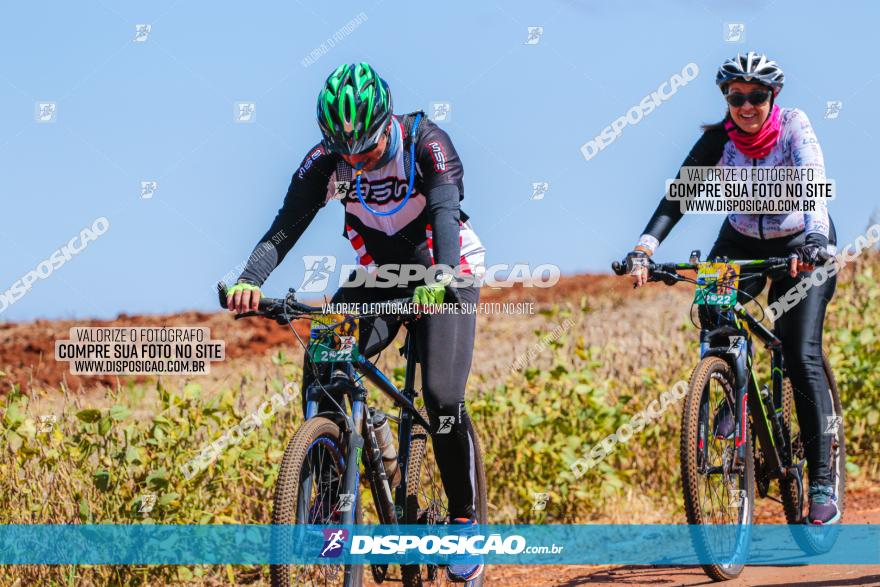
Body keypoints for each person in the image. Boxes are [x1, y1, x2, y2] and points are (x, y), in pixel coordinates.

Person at [226, 62, 486, 580]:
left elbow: (443, 212)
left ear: (386, 122)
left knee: (440, 400)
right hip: (382, 276)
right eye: (347, 153)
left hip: (446, 268)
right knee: (324, 352)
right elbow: (286, 225)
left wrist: (442, 276)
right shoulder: (328, 160)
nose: (357, 161)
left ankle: (462, 522)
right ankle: (327, 504)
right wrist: (251, 279)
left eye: (365, 151)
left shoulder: (425, 142)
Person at [624, 52, 840, 525]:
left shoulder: (793, 127)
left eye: (756, 96)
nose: (746, 106)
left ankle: (822, 477)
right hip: (739, 239)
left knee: (801, 354)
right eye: (736, 97)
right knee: (713, 311)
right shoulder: (719, 140)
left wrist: (817, 241)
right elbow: (675, 198)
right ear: (726, 99)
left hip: (802, 241)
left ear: (773, 97)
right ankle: (732, 389)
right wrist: (644, 248)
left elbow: (813, 182)